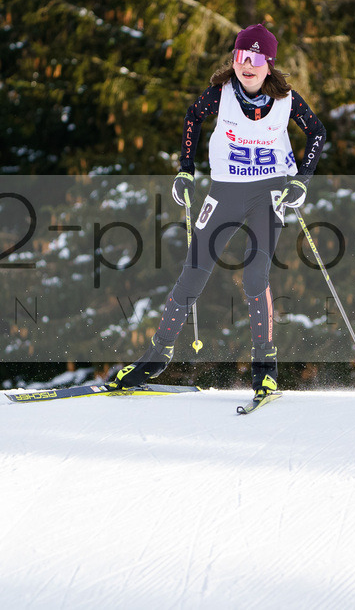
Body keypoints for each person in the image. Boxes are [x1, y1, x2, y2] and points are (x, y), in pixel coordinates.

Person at [108, 23, 326, 400]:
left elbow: (317, 132)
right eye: (242, 56)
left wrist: (301, 179)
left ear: (269, 65)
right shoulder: (221, 94)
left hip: (269, 192)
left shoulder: (287, 99)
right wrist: (184, 171)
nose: (248, 65)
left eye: (257, 59)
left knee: (255, 274)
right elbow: (192, 117)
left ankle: (265, 367)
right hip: (226, 191)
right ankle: (156, 356)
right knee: (193, 271)